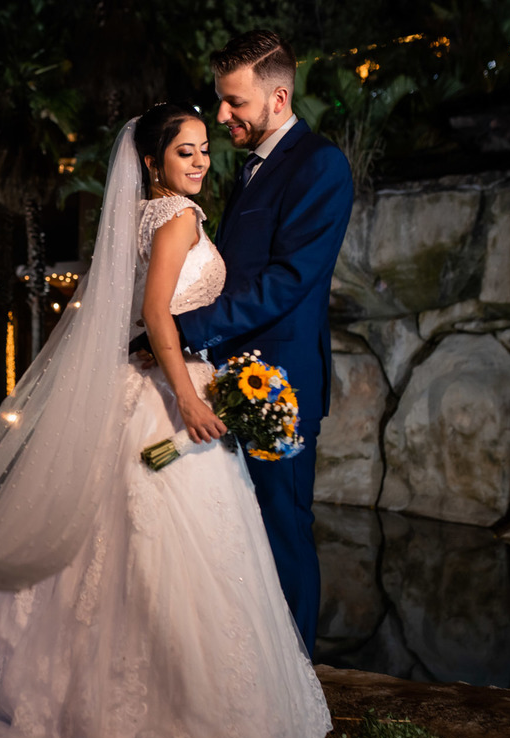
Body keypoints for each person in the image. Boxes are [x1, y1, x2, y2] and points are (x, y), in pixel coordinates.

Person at [0, 105, 330, 738]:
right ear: (154, 162)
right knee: (164, 546)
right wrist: (190, 399)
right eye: (185, 150)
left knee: (121, 543)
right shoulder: (177, 218)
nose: (200, 160)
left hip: (150, 386)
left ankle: (77, 684)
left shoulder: (144, 217)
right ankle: (171, 703)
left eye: (203, 148)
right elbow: (156, 314)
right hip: (169, 396)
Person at [133, 31, 355, 657]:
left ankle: (296, 678)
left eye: (235, 102)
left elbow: (287, 282)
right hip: (220, 382)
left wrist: (182, 331)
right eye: (221, 100)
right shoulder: (251, 170)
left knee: (283, 531)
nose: (223, 114)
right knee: (234, 535)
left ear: (278, 98)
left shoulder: (319, 166)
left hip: (277, 386)